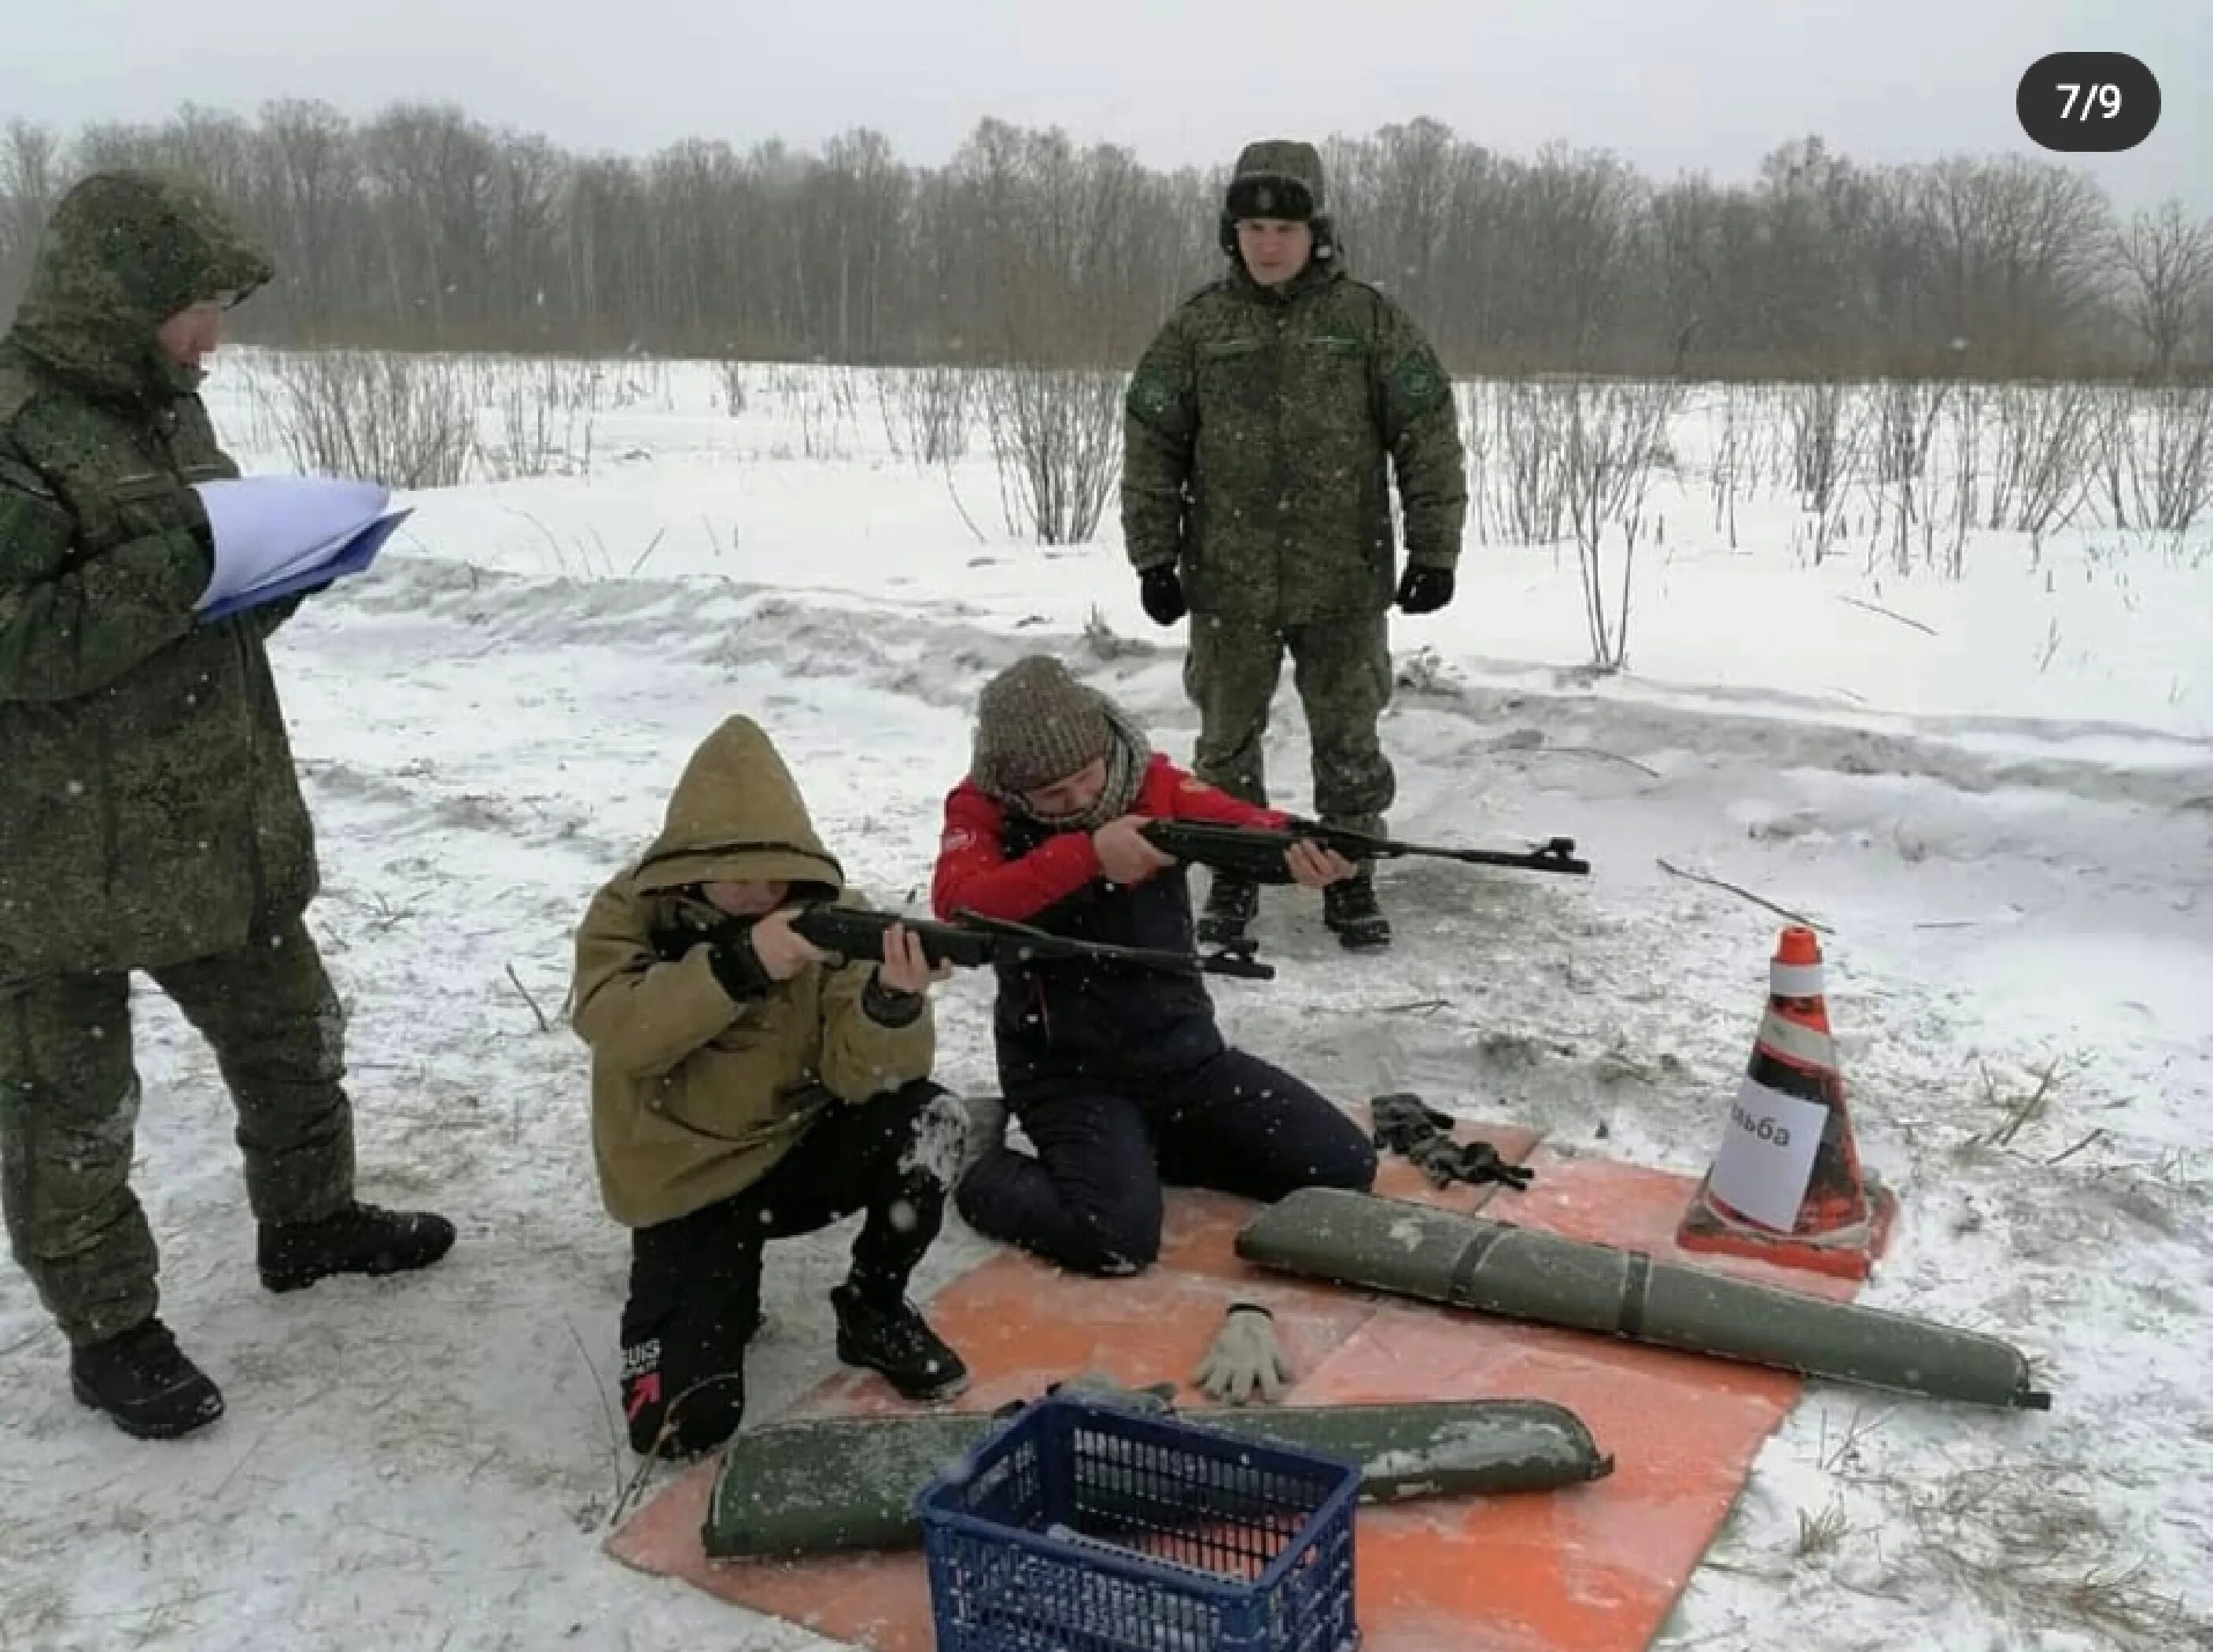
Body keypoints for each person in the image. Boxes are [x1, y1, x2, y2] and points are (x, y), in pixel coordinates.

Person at [0, 169, 454, 1443]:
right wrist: (192, 561)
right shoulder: (15, 428)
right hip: (53, 853)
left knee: (294, 1037)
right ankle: (111, 1335)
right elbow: (18, 638)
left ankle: (309, 1224)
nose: (213, 335)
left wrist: (287, 562)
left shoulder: (169, 407)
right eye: (196, 306)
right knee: (72, 1112)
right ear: (120, 300)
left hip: (210, 820)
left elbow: (200, 591)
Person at [571, 713, 972, 1459]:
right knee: (678, 1427)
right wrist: (740, 966)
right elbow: (621, 1032)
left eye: (774, 872)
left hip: (792, 1154)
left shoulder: (833, 919)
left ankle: (873, 1306)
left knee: (930, 1119)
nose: (762, 892)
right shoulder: (628, 915)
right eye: (739, 875)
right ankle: (721, 1278)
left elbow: (863, 1077)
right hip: (684, 1184)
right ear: (690, 864)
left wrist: (891, 1001)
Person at [1119, 138, 1470, 953]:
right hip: (1227, 584)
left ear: (1317, 232)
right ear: (1232, 234)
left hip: (1343, 580)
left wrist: (1434, 550)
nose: (1268, 244)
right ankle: (1234, 870)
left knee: (1348, 741)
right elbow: (1151, 440)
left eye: (1285, 228)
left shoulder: (1367, 322)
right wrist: (1153, 556)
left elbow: (1427, 434)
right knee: (1224, 745)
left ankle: (1347, 872)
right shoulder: (1198, 329)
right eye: (1252, 228)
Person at [933, 655, 1379, 1277]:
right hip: (1068, 1074)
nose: (1080, 799)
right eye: (1053, 795)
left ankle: (1137, 1152)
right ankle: (974, 1158)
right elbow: (959, 904)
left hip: (1184, 1058)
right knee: (1112, 1240)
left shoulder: (1151, 782)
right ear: (1011, 788)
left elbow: (1238, 825)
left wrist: (1299, 847)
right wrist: (1088, 856)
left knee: (1341, 1167)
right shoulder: (980, 808)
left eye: (1087, 778)